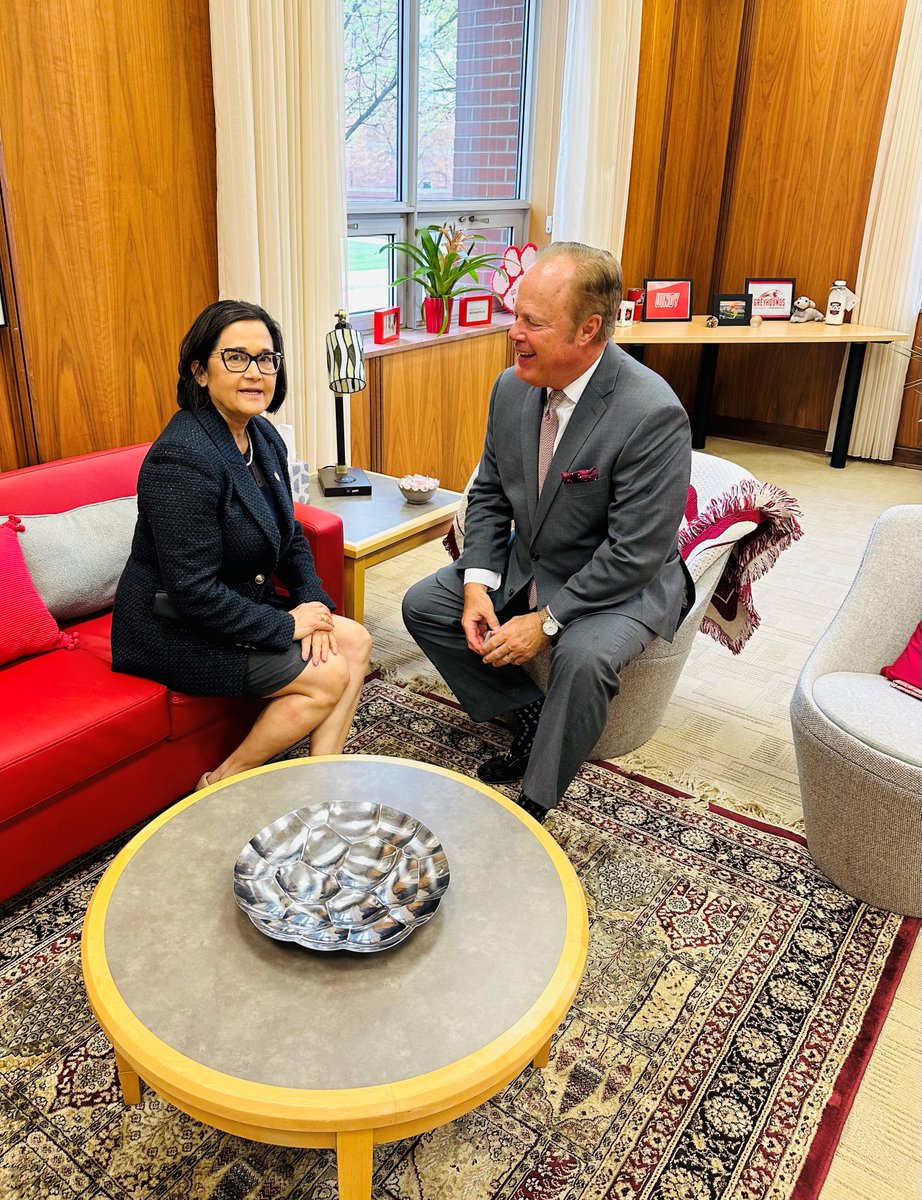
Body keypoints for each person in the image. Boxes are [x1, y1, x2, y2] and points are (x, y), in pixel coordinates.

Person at [402, 242, 692, 823]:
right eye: (516, 314)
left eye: (533, 322)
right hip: (532, 557)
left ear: (589, 329)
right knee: (424, 604)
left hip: (621, 581)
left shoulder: (651, 412)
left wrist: (547, 620)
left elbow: (636, 552)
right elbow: (488, 490)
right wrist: (479, 581)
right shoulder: (511, 388)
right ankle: (526, 710)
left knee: (582, 659)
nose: (514, 332)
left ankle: (535, 799)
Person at [112, 300, 372, 788]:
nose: (256, 372)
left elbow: (290, 535)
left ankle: (323, 777)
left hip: (232, 608)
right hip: (173, 631)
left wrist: (313, 603)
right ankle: (223, 782)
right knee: (328, 676)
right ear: (200, 372)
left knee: (354, 638)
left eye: (266, 358)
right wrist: (285, 625)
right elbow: (191, 593)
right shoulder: (181, 459)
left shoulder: (263, 437)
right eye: (236, 358)